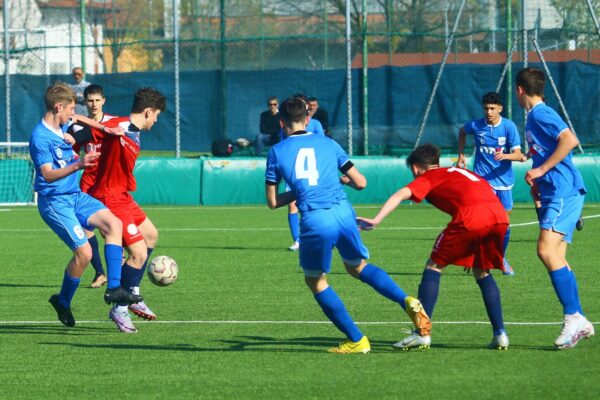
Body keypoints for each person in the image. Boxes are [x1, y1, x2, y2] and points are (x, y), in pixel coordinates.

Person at [265, 97, 431, 354]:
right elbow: (361, 182)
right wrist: (338, 180)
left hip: (316, 219)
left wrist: (302, 190)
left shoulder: (276, 151)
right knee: (357, 267)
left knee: (316, 281)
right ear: (308, 119)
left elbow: (274, 201)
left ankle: (357, 339)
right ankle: (407, 300)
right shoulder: (329, 143)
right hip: (344, 213)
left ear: (281, 122)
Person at [358, 144, 510, 350]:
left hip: (472, 218)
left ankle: (422, 333)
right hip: (499, 217)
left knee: (434, 266)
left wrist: (376, 219)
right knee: (482, 271)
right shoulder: (460, 171)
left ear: (415, 168)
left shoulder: (428, 177)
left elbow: (401, 194)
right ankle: (500, 334)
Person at [29, 82, 141, 327]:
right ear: (58, 107)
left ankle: (114, 288)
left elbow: (79, 118)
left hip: (75, 195)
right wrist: (79, 164)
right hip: (55, 203)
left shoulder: (64, 123)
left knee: (114, 223)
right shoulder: (40, 137)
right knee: (84, 253)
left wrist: (105, 129)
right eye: (69, 109)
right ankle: (63, 301)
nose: (73, 114)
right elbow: (47, 174)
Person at [515, 67, 594, 349]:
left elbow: (569, 140)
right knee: (558, 256)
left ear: (519, 90)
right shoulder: (534, 117)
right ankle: (579, 321)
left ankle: (573, 317)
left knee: (545, 250)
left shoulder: (540, 114)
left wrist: (543, 169)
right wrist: (537, 176)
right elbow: (544, 151)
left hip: (563, 192)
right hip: (555, 192)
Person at [88, 87, 166, 333]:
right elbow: (84, 122)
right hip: (110, 197)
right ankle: (119, 308)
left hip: (122, 195)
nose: (156, 120)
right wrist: (73, 135)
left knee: (151, 234)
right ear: (148, 111)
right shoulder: (119, 127)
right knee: (139, 253)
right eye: (157, 116)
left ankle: (132, 291)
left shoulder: (133, 130)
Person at [457, 92, 522, 276]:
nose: (489, 112)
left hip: (504, 182)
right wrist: (461, 154)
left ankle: (500, 257)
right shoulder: (477, 125)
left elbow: (519, 154)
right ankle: (477, 255)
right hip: (482, 181)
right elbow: (462, 131)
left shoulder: (509, 127)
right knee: (484, 221)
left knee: (504, 223)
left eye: (492, 108)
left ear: (500, 108)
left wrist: (506, 156)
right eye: (486, 108)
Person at [68, 84, 118, 288]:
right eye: (90, 100)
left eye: (97, 100)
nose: (94, 104)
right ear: (85, 102)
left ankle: (120, 264)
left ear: (104, 101)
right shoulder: (78, 126)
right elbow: (72, 149)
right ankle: (100, 273)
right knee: (85, 229)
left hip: (109, 182)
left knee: (109, 230)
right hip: (88, 182)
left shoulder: (112, 123)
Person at [284, 93, 325, 251]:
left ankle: (319, 236)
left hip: (312, 170)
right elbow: (285, 145)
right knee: (292, 205)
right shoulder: (288, 126)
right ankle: (298, 241)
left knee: (313, 204)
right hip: (294, 169)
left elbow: (322, 145)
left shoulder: (315, 124)